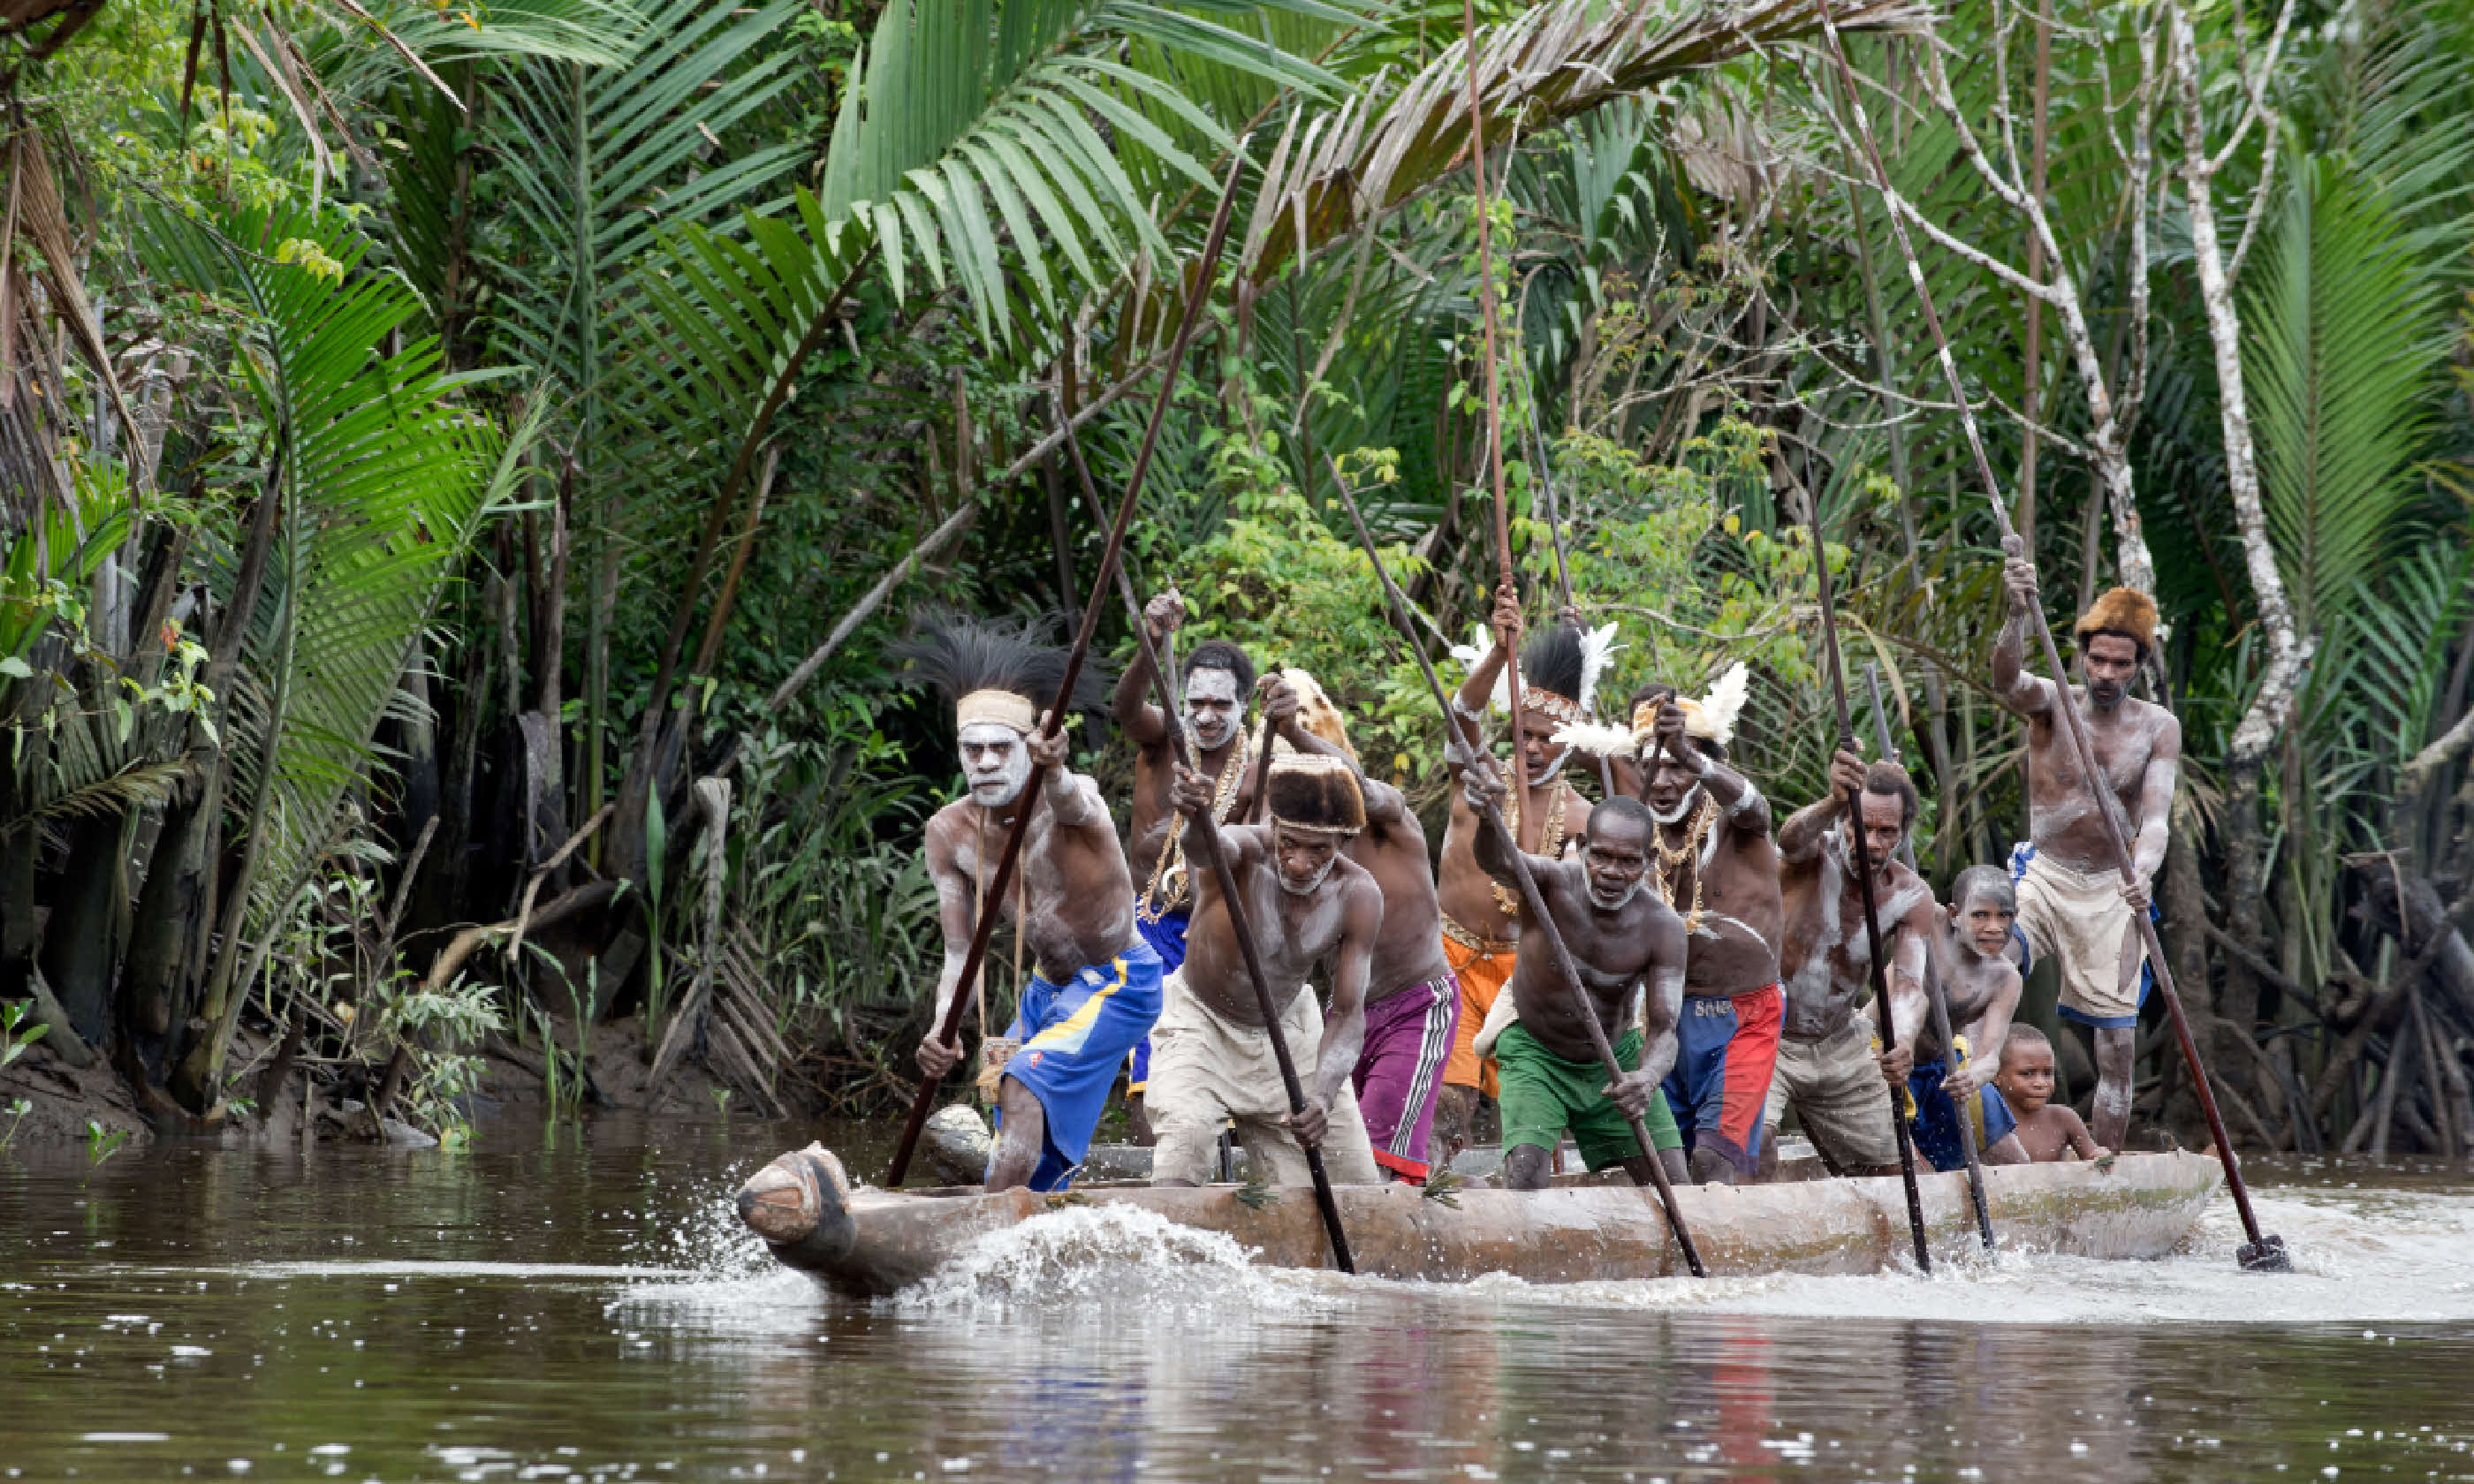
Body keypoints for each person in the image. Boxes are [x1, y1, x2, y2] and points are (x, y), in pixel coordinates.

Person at [895, 617, 1161, 1192]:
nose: (985, 762)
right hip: (1046, 993)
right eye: (973, 750)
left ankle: (985, 1254)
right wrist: (943, 1027)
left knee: (1019, 1086)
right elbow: (958, 953)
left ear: (1026, 748)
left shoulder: (1072, 797)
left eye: (1000, 748)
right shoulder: (949, 832)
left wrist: (1056, 766)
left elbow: (1070, 797)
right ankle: (1031, 1229)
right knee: (1017, 1133)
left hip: (1119, 981)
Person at [1994, 563, 2180, 1152]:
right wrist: (2017, 613)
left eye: (2120, 664)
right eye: (2096, 660)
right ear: (2081, 656)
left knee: (2118, 1048)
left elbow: (2154, 820)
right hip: (2043, 876)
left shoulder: (2157, 728)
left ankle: (2104, 1172)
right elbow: (2005, 680)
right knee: (1991, 968)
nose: (2105, 673)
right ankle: (1974, 1144)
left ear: (2140, 666)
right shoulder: (2052, 700)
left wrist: (2143, 871)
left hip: (2111, 888)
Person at [1433, 581, 1617, 1159]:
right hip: (1452, 963)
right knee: (1447, 1109)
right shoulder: (1478, 778)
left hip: (1528, 978)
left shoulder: (1587, 820)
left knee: (1532, 1120)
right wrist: (1498, 651)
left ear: (1570, 747)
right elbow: (1462, 713)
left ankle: (1535, 1224)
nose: (1532, 748)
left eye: (1546, 740)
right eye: (1524, 735)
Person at [1146, 751, 1384, 1187]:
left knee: (1355, 1186)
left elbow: (1349, 1013)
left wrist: (1322, 1096)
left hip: (1290, 1030)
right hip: (1200, 1024)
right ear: (1273, 827)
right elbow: (1205, 847)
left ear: (1345, 843)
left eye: (1319, 850)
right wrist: (1197, 818)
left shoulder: (1358, 895)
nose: (1298, 862)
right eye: (1289, 842)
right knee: (1186, 1143)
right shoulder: (1245, 853)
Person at [1265, 670, 1461, 1185]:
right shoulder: (1292, 851)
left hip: (1417, 1005)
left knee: (1377, 1165)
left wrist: (1293, 733)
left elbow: (1351, 784)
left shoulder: (1387, 817)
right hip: (1344, 1015)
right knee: (1326, 1156)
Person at [1460, 759, 1688, 1189]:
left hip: (1613, 1059)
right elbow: (1498, 863)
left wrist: (1646, 1077)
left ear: (1649, 861)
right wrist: (1488, 819)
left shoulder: (1662, 928)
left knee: (1673, 1183)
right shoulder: (1551, 883)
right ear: (1582, 846)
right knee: (1526, 1176)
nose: (1611, 874)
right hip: (1535, 1049)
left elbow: (1665, 1029)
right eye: (1600, 856)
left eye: (1627, 862)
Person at [1625, 665, 1785, 1185]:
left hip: (1742, 1018)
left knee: (1713, 1164)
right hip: (1665, 1020)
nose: (1665, 782)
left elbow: (1755, 806)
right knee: (1663, 1169)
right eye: (1655, 768)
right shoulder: (1633, 836)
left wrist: (1690, 753)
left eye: (1680, 769)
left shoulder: (1735, 822)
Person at [1115, 589, 1262, 1140]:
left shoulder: (1254, 772)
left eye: (1221, 706)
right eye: (1196, 702)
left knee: (1204, 1063)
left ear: (1244, 704)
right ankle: (1157, 1176)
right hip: (1146, 925)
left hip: (1214, 930)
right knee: (1150, 1064)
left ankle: (1214, 1171)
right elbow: (1125, 709)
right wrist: (1151, 642)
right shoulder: (1163, 741)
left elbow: (1262, 849)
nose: (1204, 716)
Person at [1770, 749, 1936, 1177]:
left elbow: (1908, 986)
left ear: (1902, 835)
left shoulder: (1911, 896)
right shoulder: (1811, 856)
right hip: (1769, 1036)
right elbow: (1789, 839)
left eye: (1887, 832)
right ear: (1843, 822)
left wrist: (1903, 1039)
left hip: (1840, 1041)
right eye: (1861, 827)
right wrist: (1831, 800)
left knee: (1898, 1173)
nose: (1873, 843)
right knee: (1748, 1148)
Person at [1907, 865, 2031, 1171]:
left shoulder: (2006, 979)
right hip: (1884, 1058)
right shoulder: (1930, 920)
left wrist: (1972, 1078)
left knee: (2013, 1161)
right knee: (1910, 1170)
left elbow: (1989, 1056)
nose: (1994, 928)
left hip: (1944, 1066)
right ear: (1954, 914)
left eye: (2004, 916)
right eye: (1980, 916)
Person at [1995, 1025, 2109, 1162]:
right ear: (1997, 1076)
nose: (2041, 1083)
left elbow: (2095, 1160)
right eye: (2027, 1074)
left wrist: (2101, 1158)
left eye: (2048, 1073)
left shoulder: (2063, 1118)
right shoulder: (1987, 1122)